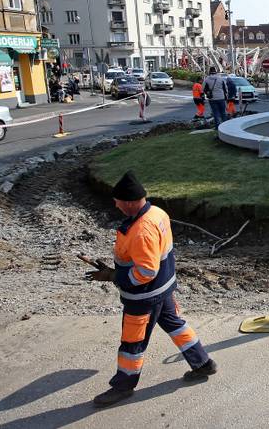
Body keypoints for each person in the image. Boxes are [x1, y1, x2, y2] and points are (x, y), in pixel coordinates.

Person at [85, 171, 216, 407]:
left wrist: (114, 275)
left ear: (129, 202)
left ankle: (123, 386)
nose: (115, 205)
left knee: (132, 343)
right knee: (176, 325)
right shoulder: (157, 213)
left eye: (117, 201)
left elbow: (146, 272)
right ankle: (203, 363)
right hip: (163, 290)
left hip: (144, 298)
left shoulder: (141, 231)